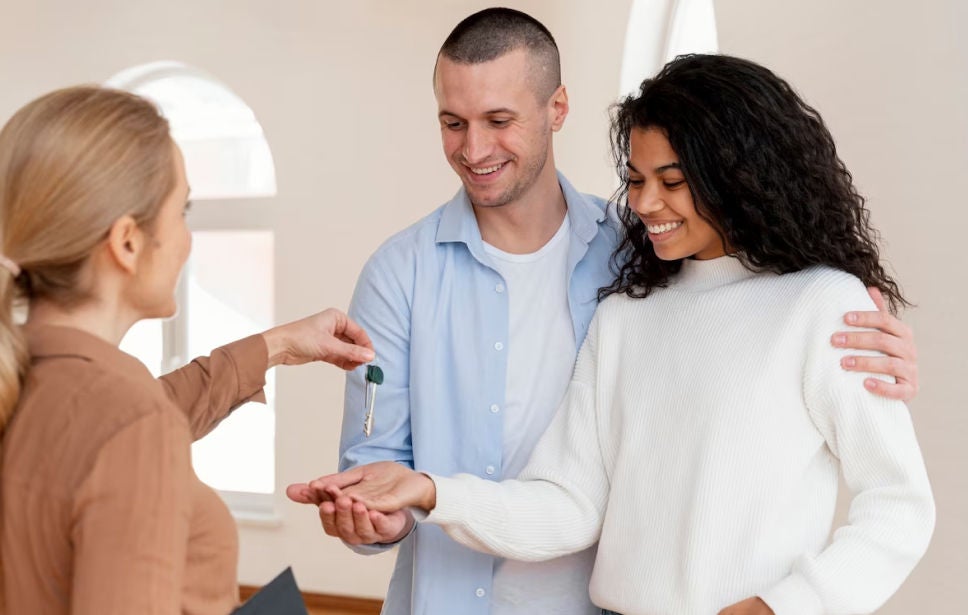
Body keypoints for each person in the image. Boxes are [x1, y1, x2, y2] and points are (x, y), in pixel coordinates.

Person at [292, 10, 922, 615]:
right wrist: (433, 491)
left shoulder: (820, 304)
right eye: (635, 179)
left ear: (739, 176)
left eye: (671, 181)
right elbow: (570, 503)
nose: (647, 204)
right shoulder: (628, 307)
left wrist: (786, 606)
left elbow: (898, 502)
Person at [0, 86, 375, 614]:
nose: (187, 238)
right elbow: (132, 427)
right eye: (183, 210)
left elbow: (140, 415)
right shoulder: (127, 422)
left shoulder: (28, 381)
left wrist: (280, 344)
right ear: (128, 241)